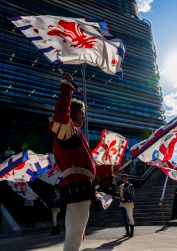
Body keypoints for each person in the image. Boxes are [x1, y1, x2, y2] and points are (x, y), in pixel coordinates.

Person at [49, 72, 119, 251]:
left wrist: (109, 170)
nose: (84, 117)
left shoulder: (76, 134)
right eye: (81, 113)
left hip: (79, 186)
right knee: (74, 237)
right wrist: (66, 86)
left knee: (75, 235)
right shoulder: (68, 130)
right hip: (77, 186)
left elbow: (90, 167)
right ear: (72, 113)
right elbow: (60, 117)